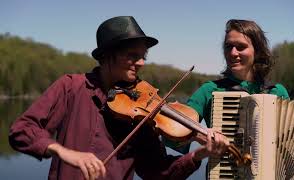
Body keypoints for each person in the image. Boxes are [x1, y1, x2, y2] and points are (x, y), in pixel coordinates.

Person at [9, 16, 229, 180]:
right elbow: (22, 130)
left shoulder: (142, 110)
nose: (141, 62)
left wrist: (199, 154)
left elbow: (158, 171)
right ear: (107, 55)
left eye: (143, 56)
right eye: (132, 55)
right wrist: (64, 152)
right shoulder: (71, 87)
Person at [164, 19, 290, 154]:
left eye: (241, 47)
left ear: (257, 51)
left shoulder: (277, 92)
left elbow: (290, 142)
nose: (233, 53)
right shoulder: (209, 90)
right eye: (228, 46)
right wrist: (199, 135)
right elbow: (172, 137)